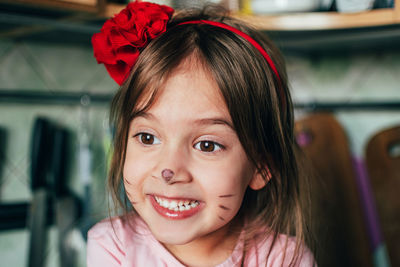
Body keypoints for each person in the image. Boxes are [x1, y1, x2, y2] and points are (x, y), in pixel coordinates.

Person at [87, 1, 315, 266]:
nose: (168, 171)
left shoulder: (283, 260)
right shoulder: (113, 246)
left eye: (207, 145)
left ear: (262, 164)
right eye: (148, 138)